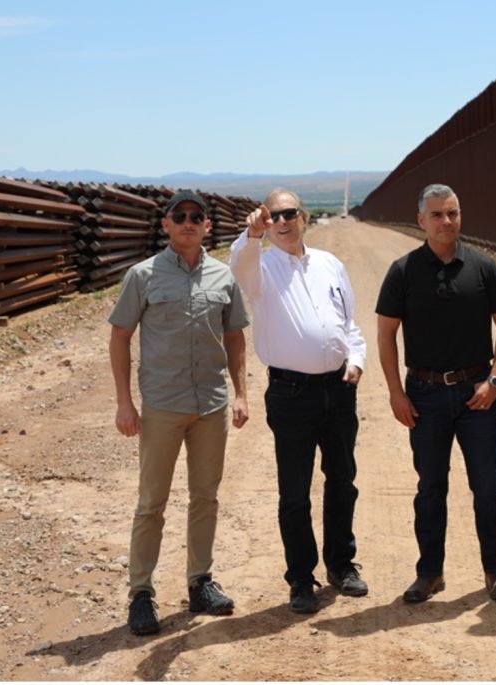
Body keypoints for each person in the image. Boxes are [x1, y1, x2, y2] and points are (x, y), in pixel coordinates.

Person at [109, 189, 250, 636]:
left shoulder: (223, 276)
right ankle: (141, 594)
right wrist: (125, 402)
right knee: (151, 502)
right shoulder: (142, 276)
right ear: (166, 224)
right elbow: (119, 337)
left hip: (211, 404)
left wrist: (241, 393)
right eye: (180, 215)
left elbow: (235, 337)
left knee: (205, 497)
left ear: (208, 225)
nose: (188, 222)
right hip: (162, 407)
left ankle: (200, 582)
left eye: (196, 216)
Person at [376, 183, 496, 603]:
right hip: (424, 395)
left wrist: (494, 380)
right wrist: (396, 392)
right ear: (421, 220)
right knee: (430, 488)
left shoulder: (484, 267)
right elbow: (385, 335)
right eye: (437, 215)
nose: (446, 221)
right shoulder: (403, 271)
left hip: (478, 394)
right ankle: (430, 573)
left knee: (488, 486)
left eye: (452, 213)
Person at [229, 189, 367, 614]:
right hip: (291, 394)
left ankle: (341, 565)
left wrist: (356, 360)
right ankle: (301, 579)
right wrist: (251, 235)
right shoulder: (261, 268)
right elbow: (239, 264)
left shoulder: (330, 264)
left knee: (342, 480)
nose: (282, 221)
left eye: (289, 213)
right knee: (294, 492)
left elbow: (349, 323)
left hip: (338, 390)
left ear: (304, 217)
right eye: (274, 216)